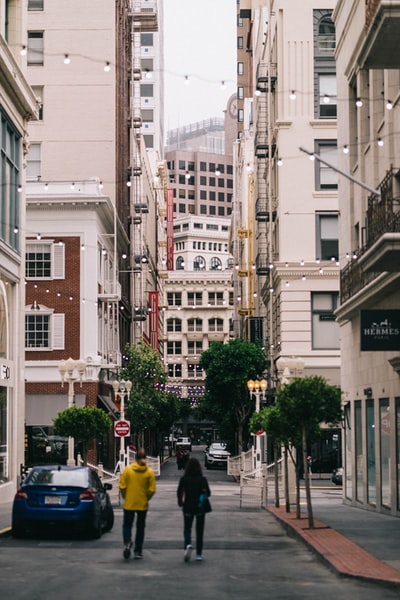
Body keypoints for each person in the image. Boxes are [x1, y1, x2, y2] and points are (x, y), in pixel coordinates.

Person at [119, 447, 156, 560]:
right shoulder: (149, 472)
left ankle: (127, 542)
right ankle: (138, 551)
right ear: (145, 457)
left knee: (127, 525)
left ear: (135, 457)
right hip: (142, 504)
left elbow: (122, 486)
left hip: (129, 503)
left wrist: (126, 496)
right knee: (140, 527)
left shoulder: (128, 470)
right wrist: (146, 498)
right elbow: (152, 489)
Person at [177, 457, 211, 562]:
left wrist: (180, 502)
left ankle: (187, 545)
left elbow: (180, 492)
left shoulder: (184, 479)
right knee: (199, 531)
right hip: (200, 507)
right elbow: (208, 493)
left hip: (187, 506)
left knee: (187, 528)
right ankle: (199, 554)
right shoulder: (202, 479)